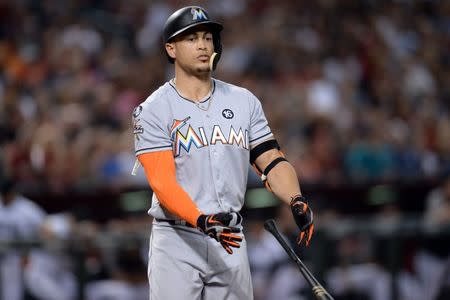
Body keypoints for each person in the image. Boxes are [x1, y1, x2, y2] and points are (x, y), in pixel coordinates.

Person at [132, 6, 314, 299]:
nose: (203, 44)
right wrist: (201, 219)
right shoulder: (153, 109)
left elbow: (271, 160)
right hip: (177, 239)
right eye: (191, 38)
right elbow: (162, 183)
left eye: (207, 37)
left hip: (230, 235)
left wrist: (296, 198)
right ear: (171, 48)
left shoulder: (244, 101)